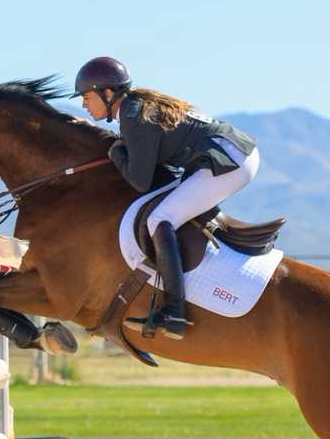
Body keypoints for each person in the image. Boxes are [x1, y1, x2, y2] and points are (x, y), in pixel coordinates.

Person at [73, 56, 260, 340]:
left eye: (87, 96)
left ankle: (175, 311)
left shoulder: (133, 115)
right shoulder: (135, 109)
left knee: (160, 218)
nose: (84, 104)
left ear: (107, 93)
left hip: (230, 159)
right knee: (168, 211)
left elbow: (140, 181)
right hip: (231, 154)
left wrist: (115, 153)